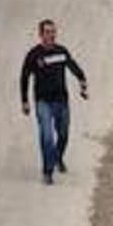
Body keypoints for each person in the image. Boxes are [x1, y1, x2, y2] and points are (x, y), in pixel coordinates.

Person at [19, 19, 89, 184]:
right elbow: (24, 77)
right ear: (40, 34)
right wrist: (25, 101)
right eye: (48, 32)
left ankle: (58, 157)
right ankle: (47, 171)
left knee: (63, 134)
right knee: (47, 136)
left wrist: (82, 81)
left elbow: (73, 66)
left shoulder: (61, 51)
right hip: (43, 102)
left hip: (62, 101)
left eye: (53, 32)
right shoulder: (33, 55)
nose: (51, 35)